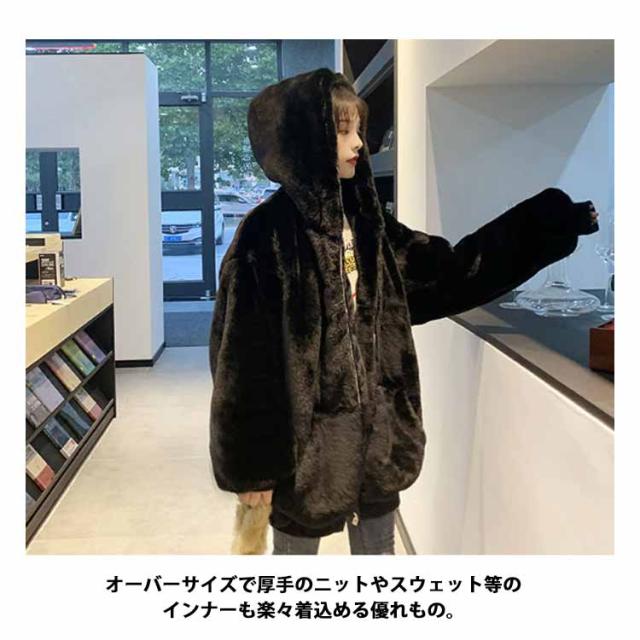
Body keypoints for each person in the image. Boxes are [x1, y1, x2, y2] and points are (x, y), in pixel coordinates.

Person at [208, 67, 599, 555]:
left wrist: (547, 223)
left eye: (358, 130)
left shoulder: (370, 227)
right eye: (342, 131)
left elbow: (450, 273)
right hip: (303, 458)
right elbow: (243, 363)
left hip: (380, 446)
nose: (358, 144)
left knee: (380, 558)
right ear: (306, 141)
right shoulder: (266, 236)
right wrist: (252, 470)